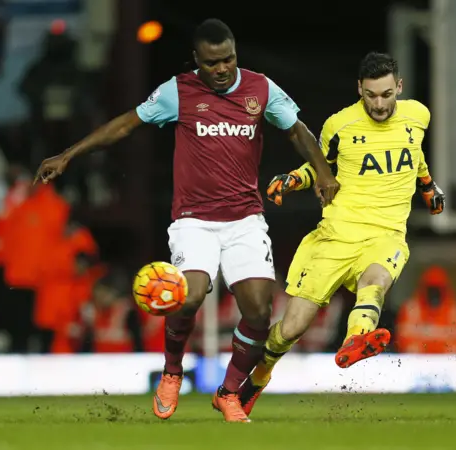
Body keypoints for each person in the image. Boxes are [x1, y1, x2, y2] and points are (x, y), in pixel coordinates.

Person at [33, 18, 338, 422]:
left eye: (228, 59)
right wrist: (69, 154)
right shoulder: (178, 91)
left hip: (245, 218)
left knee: (260, 310)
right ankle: (173, 371)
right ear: (198, 60)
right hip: (193, 220)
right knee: (189, 295)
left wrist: (324, 173)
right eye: (212, 63)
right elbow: (125, 124)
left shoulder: (261, 89)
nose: (222, 69)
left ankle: (229, 393)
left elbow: (297, 131)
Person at [237, 52, 445, 416]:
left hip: (386, 234)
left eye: (385, 94)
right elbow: (320, 165)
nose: (378, 104)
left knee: (376, 280)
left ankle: (356, 339)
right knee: (291, 328)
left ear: (399, 87)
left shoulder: (419, 115)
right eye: (370, 95)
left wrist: (427, 185)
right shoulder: (340, 125)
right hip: (336, 236)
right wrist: (293, 180)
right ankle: (260, 376)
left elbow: (414, 154)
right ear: (359, 90)